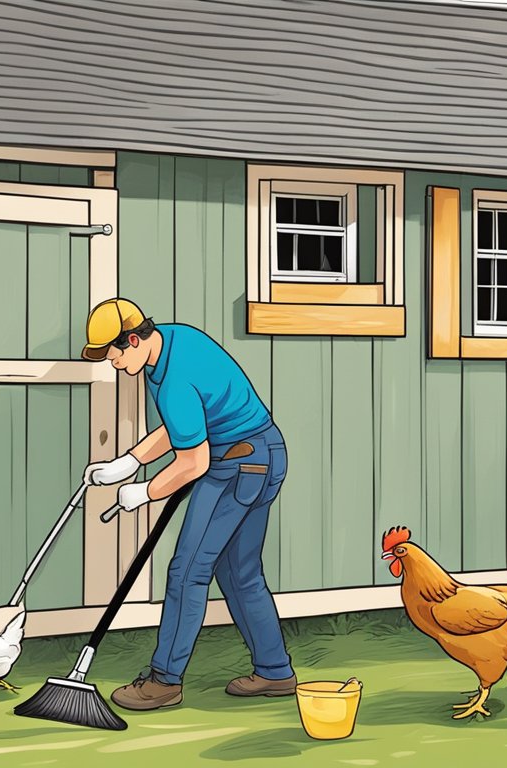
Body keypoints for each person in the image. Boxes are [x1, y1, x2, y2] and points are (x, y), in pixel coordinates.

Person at [80, 298, 295, 711]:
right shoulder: (169, 343)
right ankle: (274, 671)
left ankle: (164, 681)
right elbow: (184, 425)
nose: (114, 365)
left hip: (239, 464)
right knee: (239, 572)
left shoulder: (172, 374)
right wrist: (130, 462)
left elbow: (193, 461)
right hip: (265, 453)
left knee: (187, 571)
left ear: (132, 340)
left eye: (114, 355)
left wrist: (144, 492)